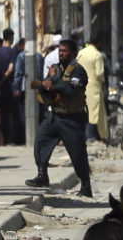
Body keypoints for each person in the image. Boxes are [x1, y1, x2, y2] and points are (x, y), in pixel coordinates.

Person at [26, 39, 93, 198]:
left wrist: (54, 81)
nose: (61, 53)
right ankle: (42, 176)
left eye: (65, 51)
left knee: (77, 154)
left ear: (73, 54)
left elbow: (69, 91)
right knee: (41, 140)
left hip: (73, 119)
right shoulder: (54, 69)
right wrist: (45, 85)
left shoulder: (78, 71)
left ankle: (85, 185)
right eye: (60, 50)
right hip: (55, 116)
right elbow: (44, 85)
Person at [77, 33, 108, 143]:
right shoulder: (97, 54)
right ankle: (93, 137)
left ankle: (86, 136)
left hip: (80, 86)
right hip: (94, 86)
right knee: (95, 113)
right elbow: (99, 73)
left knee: (85, 111)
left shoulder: (80, 53)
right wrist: (104, 81)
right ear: (99, 43)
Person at [0, 28, 20, 145]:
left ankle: (3, 139)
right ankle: (10, 140)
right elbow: (10, 70)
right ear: (11, 38)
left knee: (3, 114)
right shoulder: (12, 52)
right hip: (9, 86)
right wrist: (2, 81)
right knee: (12, 115)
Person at [11, 38, 27, 145]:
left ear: (21, 45)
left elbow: (18, 73)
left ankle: (23, 138)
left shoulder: (21, 56)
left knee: (22, 115)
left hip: (23, 90)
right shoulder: (39, 56)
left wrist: (16, 88)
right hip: (34, 89)